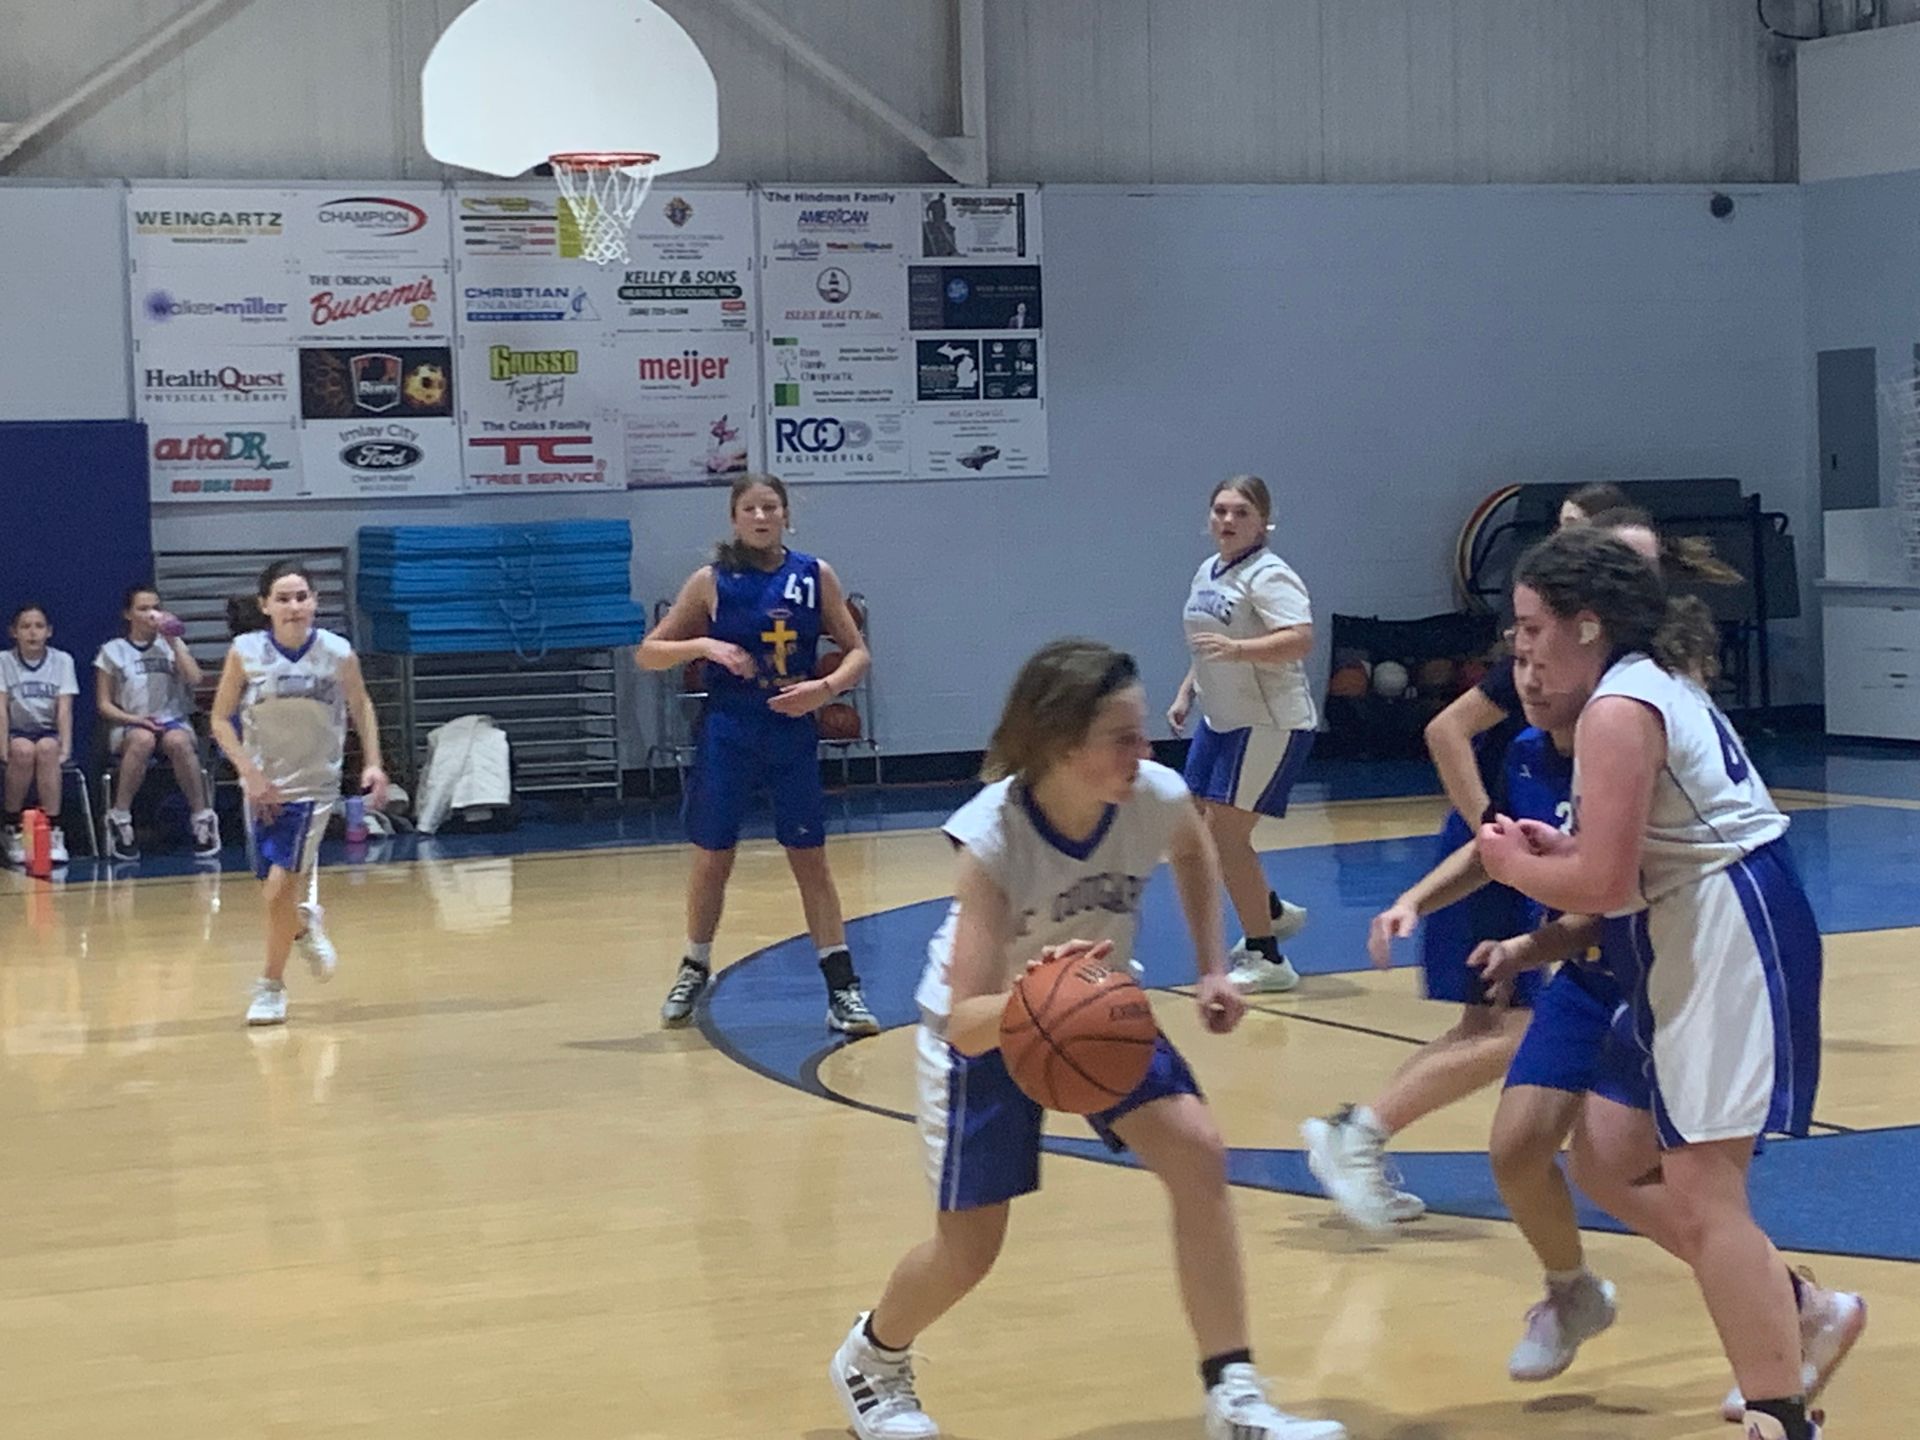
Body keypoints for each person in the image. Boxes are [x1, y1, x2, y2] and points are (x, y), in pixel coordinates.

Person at [828, 638, 1346, 1440]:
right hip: (990, 1028)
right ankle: (873, 1357)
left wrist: (1214, 967)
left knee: (1197, 1153)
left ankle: (1233, 1393)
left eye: (1143, 735)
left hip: (1094, 1008)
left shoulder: (1155, 796)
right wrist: (1036, 997)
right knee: (970, 1250)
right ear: (1065, 744)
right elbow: (966, 1021)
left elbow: (1195, 850)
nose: (1144, 753)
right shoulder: (993, 838)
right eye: (1124, 739)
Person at [1474, 525, 1863, 1440]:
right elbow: (1622, 857)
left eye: (1531, 629)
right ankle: (1800, 1309)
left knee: (1702, 1189)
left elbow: (1605, 886)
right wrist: (1553, 851)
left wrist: (1513, 868)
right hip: (1682, 926)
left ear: (1587, 625)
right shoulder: (1636, 690)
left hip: (1729, 927)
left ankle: (1779, 1416)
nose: (1520, 650)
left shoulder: (1617, 708)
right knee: (1606, 1156)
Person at [1300, 518, 1670, 1226]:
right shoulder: (1554, 704)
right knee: (1514, 1029)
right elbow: (1444, 732)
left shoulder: (1630, 697)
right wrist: (1492, 844)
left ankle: (1359, 1133)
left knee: (1499, 1030)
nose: (1527, 658)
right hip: (1514, 855)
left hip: (1538, 866)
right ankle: (1361, 1132)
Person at [636, 474, 879, 1037]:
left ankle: (842, 987)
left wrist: (823, 691)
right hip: (729, 729)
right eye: (751, 508)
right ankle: (695, 964)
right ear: (735, 518)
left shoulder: (815, 575)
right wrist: (703, 645)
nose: (762, 516)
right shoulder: (710, 582)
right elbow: (648, 654)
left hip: (791, 729)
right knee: (713, 855)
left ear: (786, 516)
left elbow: (857, 654)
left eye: (771, 507)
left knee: (810, 858)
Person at [209, 559, 388, 1027]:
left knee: (277, 891)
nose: (294, 606)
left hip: (314, 786)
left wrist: (373, 762)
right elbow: (218, 719)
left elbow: (361, 704)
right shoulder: (245, 652)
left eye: (302, 597)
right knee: (272, 892)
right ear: (265, 605)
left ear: (315, 602)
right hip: (263, 787)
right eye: (283, 598)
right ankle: (304, 925)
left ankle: (271, 987)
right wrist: (247, 772)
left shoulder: (336, 652)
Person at [1167, 476, 1315, 994]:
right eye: (1221, 511)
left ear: (1263, 522)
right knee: (1204, 834)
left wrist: (1241, 653)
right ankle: (1268, 911)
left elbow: (1300, 640)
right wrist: (1188, 691)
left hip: (1268, 720)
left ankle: (1267, 956)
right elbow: (1207, 644)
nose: (1228, 521)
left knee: (1227, 839)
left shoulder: (1270, 575)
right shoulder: (1208, 571)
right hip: (1221, 718)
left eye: (1241, 513)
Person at [94, 583, 218, 860]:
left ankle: (201, 817)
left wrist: (174, 642)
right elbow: (104, 704)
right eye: (143, 608)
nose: (152, 614)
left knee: (179, 742)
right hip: (130, 722)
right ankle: (120, 817)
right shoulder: (112, 651)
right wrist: (136, 719)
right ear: (129, 614)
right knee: (142, 739)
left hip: (171, 719)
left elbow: (195, 679)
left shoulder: (170, 646)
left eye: (156, 608)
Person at [1, 604, 78, 865]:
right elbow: (1, 709)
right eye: (25, 627)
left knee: (47, 749)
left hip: (47, 732)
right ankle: (13, 827)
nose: (32, 633)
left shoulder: (62, 661)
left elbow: (65, 709)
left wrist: (65, 747)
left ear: (49, 632)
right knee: (22, 751)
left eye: (38, 626)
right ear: (14, 632)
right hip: (17, 732)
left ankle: (53, 830)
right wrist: (2, 745)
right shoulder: (3, 661)